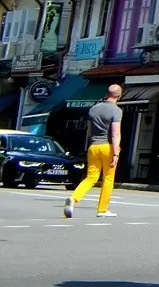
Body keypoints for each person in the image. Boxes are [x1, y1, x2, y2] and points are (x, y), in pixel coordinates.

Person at [64, 82, 122, 218]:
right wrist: (116, 152)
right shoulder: (116, 110)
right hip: (107, 147)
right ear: (119, 96)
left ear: (107, 94)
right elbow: (115, 133)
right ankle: (102, 209)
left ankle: (74, 198)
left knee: (91, 177)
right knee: (108, 179)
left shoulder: (93, 109)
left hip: (93, 146)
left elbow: (89, 131)